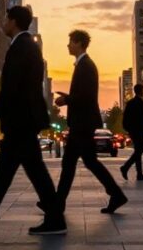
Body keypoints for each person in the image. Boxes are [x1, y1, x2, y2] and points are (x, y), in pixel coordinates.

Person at [0, 6, 66, 235]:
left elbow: (11, 88)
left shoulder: (21, 47)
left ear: (14, 21)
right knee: (17, 171)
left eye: (6, 18)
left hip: (21, 120)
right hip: (25, 120)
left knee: (17, 172)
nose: (3, 22)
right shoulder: (27, 46)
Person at [53, 30, 127, 214]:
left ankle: (56, 204)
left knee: (74, 163)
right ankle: (57, 203)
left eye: (70, 41)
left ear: (79, 43)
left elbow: (85, 96)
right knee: (83, 162)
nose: (68, 45)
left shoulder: (85, 65)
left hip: (82, 122)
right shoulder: (83, 64)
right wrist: (69, 98)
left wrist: (67, 100)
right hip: (82, 122)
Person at [120, 84, 143, 180]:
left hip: (133, 131)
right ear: (140, 91)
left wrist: (128, 129)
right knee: (139, 151)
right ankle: (126, 167)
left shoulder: (130, 103)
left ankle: (138, 173)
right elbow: (142, 117)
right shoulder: (140, 102)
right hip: (139, 131)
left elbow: (125, 118)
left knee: (138, 151)